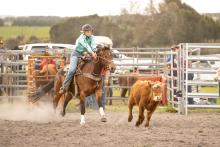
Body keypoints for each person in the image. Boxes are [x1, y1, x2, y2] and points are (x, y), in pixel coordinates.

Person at [59, 24, 97, 94]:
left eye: (90, 31)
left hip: (87, 55)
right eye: (87, 31)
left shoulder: (93, 38)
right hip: (76, 54)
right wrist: (92, 53)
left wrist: (94, 52)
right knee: (72, 70)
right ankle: (64, 87)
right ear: (83, 32)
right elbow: (87, 46)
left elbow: (93, 45)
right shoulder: (81, 38)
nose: (89, 33)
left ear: (92, 31)